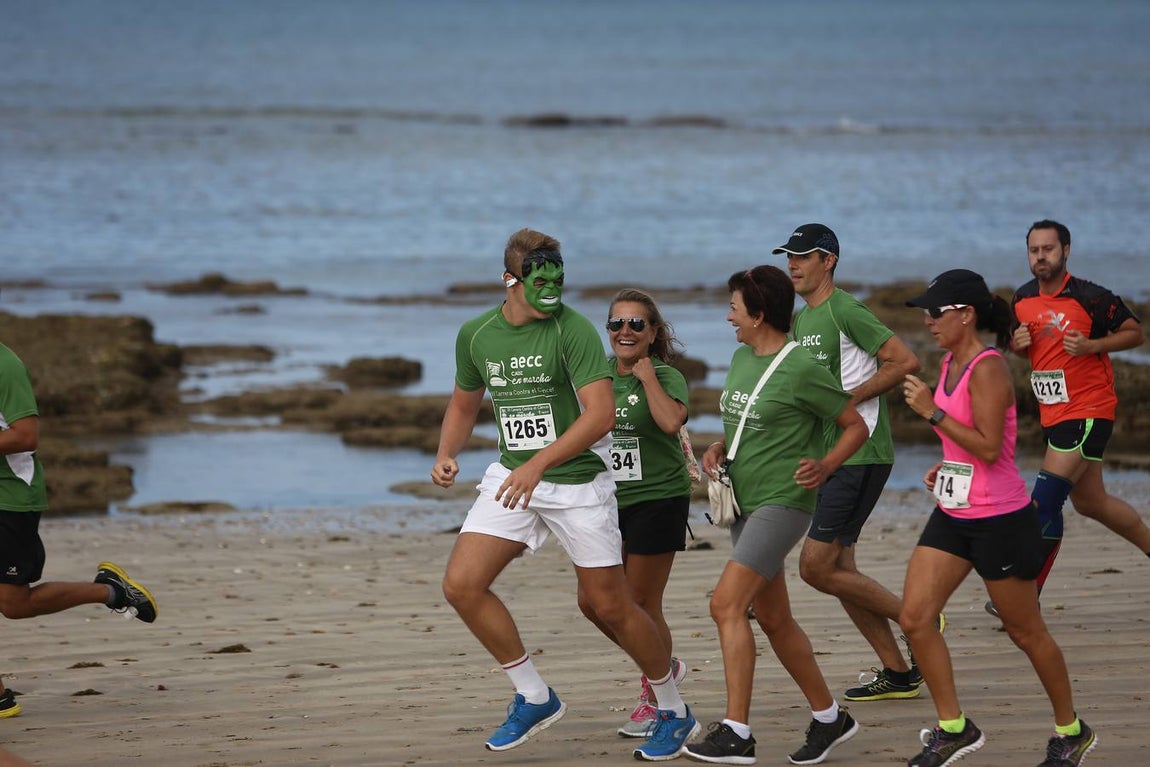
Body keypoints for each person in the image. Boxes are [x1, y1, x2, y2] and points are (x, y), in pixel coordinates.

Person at [432, 229, 699, 760]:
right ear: (511, 280)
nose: (553, 288)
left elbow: (600, 416)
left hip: (576, 481)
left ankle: (674, 709)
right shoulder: (476, 335)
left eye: (559, 278)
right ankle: (534, 696)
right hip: (514, 475)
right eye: (541, 280)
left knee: (611, 605)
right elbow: (465, 404)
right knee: (462, 585)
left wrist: (539, 464)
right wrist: (447, 452)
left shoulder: (572, 330)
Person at [899, 269, 1097, 767]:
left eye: (936, 311)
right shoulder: (947, 363)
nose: (928, 320)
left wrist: (932, 414)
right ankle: (953, 729)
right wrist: (946, 461)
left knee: (1025, 631)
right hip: (954, 510)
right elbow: (971, 441)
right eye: (926, 311)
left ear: (966, 315)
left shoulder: (989, 369)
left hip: (1000, 519)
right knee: (915, 618)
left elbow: (990, 448)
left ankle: (1071, 730)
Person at [684, 265, 867, 766]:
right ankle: (831, 718)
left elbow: (853, 425)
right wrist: (719, 447)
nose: (728, 318)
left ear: (760, 314)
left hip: (784, 502)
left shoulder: (803, 367)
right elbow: (746, 424)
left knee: (725, 605)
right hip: (744, 500)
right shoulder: (743, 357)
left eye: (735, 308)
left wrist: (827, 465)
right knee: (774, 617)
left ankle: (737, 731)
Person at [773, 223, 930, 703]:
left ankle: (918, 617)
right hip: (830, 455)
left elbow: (904, 361)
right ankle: (898, 672)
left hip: (861, 451)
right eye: (789, 257)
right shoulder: (801, 320)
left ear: (829, 261)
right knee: (842, 570)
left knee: (816, 568)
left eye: (803, 257)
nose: (793, 265)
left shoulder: (846, 310)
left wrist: (850, 397)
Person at [987, 219, 1148, 617]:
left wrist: (1094, 344)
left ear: (1066, 251)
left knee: (1041, 504)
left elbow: (1134, 333)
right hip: (1053, 415)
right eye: (1034, 250)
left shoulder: (1091, 297)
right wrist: (1016, 344)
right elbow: (1017, 347)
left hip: (1088, 411)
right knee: (1092, 503)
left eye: (1048, 249)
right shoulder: (1022, 299)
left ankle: (1022, 600)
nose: (1041, 257)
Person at [0, 340, 158, 712]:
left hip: (8, 498)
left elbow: (25, 435)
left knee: (14, 604)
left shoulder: (5, 365)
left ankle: (111, 592)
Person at [576, 288, 693, 738]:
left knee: (641, 604)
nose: (625, 332)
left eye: (635, 324)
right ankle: (666, 665)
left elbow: (669, 422)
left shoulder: (666, 375)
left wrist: (647, 379)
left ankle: (655, 694)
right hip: (605, 501)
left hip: (658, 498)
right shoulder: (596, 376)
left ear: (653, 333)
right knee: (593, 602)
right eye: (616, 324)